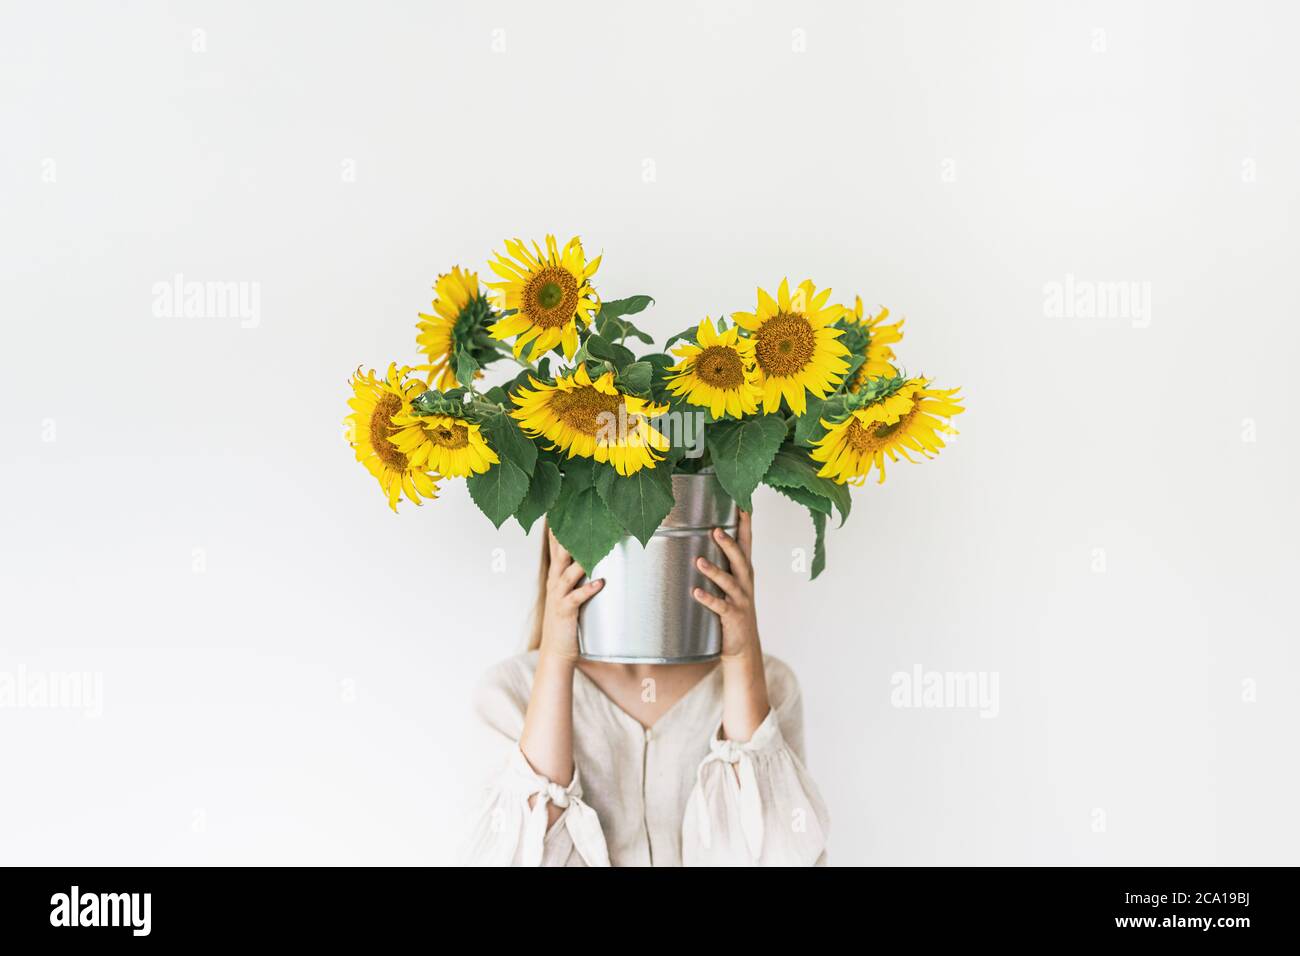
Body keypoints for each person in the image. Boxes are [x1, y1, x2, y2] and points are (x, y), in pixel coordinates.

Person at [461, 510, 829, 866]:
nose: (644, 522)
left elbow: (777, 856)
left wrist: (740, 657)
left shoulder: (772, 686)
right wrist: (556, 658)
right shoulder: (511, 695)